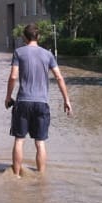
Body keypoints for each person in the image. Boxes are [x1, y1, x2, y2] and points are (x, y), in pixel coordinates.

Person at [5, 23, 72, 176]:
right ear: (38, 37)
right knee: (40, 142)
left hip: (23, 101)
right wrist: (66, 100)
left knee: (19, 140)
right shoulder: (48, 55)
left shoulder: (19, 52)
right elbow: (59, 77)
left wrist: (8, 97)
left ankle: (15, 175)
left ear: (24, 37)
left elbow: (13, 76)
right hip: (42, 103)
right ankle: (41, 178)